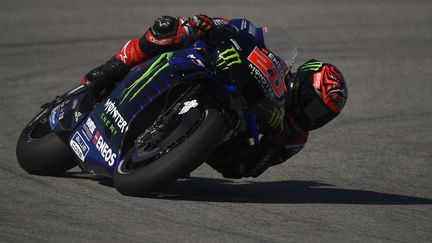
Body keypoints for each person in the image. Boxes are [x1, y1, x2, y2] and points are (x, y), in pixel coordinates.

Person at [81, 15, 348, 179]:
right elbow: (243, 30)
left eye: (321, 115)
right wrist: (213, 27)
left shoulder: (295, 137)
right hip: (219, 71)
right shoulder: (278, 69)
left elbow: (248, 170)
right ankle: (111, 68)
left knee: (237, 165)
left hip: (224, 138)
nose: (312, 115)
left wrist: (268, 147)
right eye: (313, 105)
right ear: (299, 83)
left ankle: (174, 148)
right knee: (172, 28)